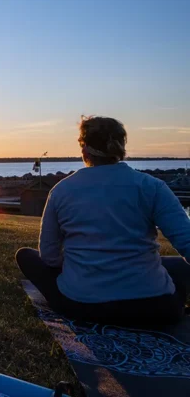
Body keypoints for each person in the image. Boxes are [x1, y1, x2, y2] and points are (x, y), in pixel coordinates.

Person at [16, 116, 190, 328]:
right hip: (157, 308)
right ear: (121, 148)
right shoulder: (152, 187)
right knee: (180, 267)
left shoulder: (62, 190)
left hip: (81, 305)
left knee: (26, 255)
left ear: (84, 150)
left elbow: (49, 256)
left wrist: (82, 267)